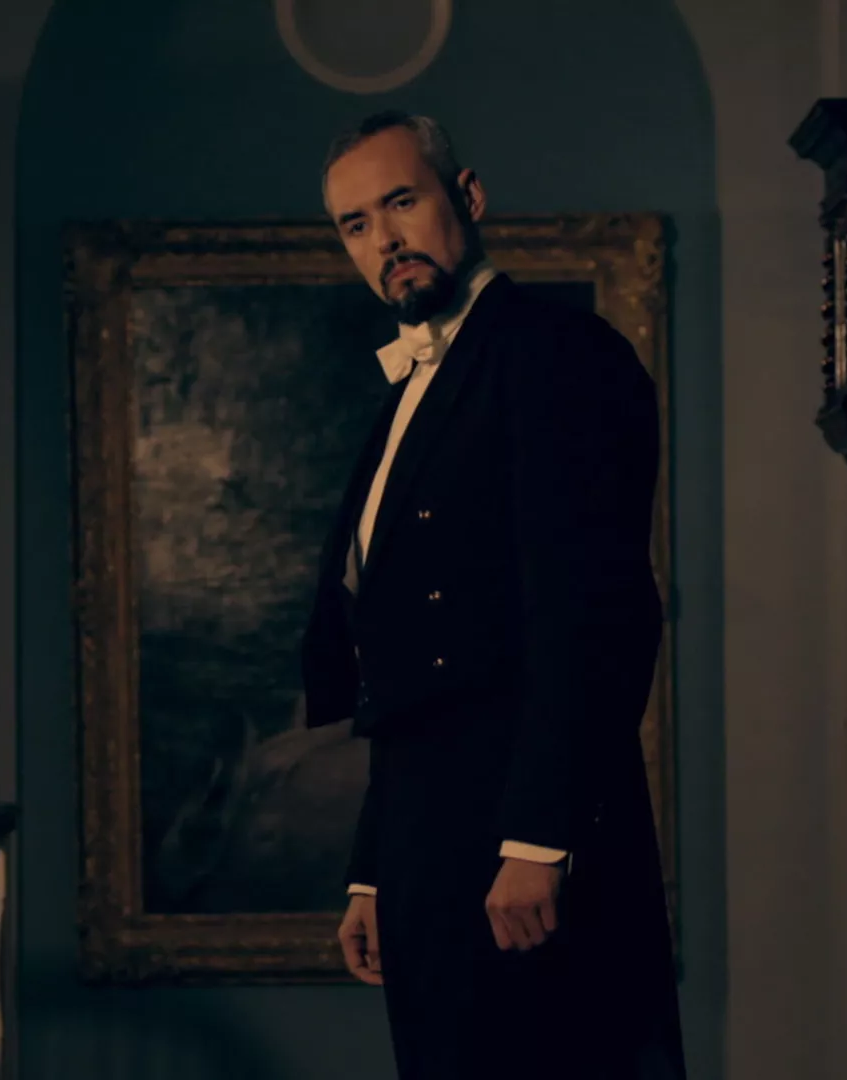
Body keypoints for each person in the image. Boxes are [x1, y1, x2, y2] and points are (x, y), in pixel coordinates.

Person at [298, 111, 686, 1080]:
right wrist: (372, 869)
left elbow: (595, 611)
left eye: (401, 202)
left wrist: (538, 838)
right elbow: (406, 663)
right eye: (355, 224)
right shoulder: (408, 392)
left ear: (466, 196)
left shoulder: (558, 354)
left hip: (525, 830)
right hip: (426, 836)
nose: (384, 240)